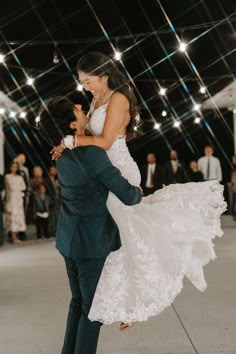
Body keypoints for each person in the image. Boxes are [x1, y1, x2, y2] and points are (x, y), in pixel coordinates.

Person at [50, 52, 226, 327]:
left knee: (132, 239)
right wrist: (67, 141)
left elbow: (106, 141)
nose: (85, 87)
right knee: (117, 239)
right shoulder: (97, 100)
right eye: (82, 82)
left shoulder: (119, 98)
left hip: (120, 170)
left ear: (103, 74)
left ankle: (134, 303)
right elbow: (87, 134)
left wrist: (73, 140)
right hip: (105, 173)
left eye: (88, 80)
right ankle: (126, 302)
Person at [38, 97, 142, 354]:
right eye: (78, 109)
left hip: (69, 239)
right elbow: (128, 196)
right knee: (92, 310)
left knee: (78, 303)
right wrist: (140, 191)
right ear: (74, 125)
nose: (83, 108)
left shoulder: (61, 153)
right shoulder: (93, 154)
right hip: (90, 244)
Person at [4, 161, 26, 244]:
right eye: (12, 166)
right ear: (10, 167)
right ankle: (13, 237)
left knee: (19, 216)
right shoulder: (7, 177)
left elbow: (23, 186)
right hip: (11, 199)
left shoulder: (19, 177)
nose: (14, 168)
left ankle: (16, 236)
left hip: (18, 199)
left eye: (15, 167)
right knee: (12, 217)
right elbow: (11, 187)